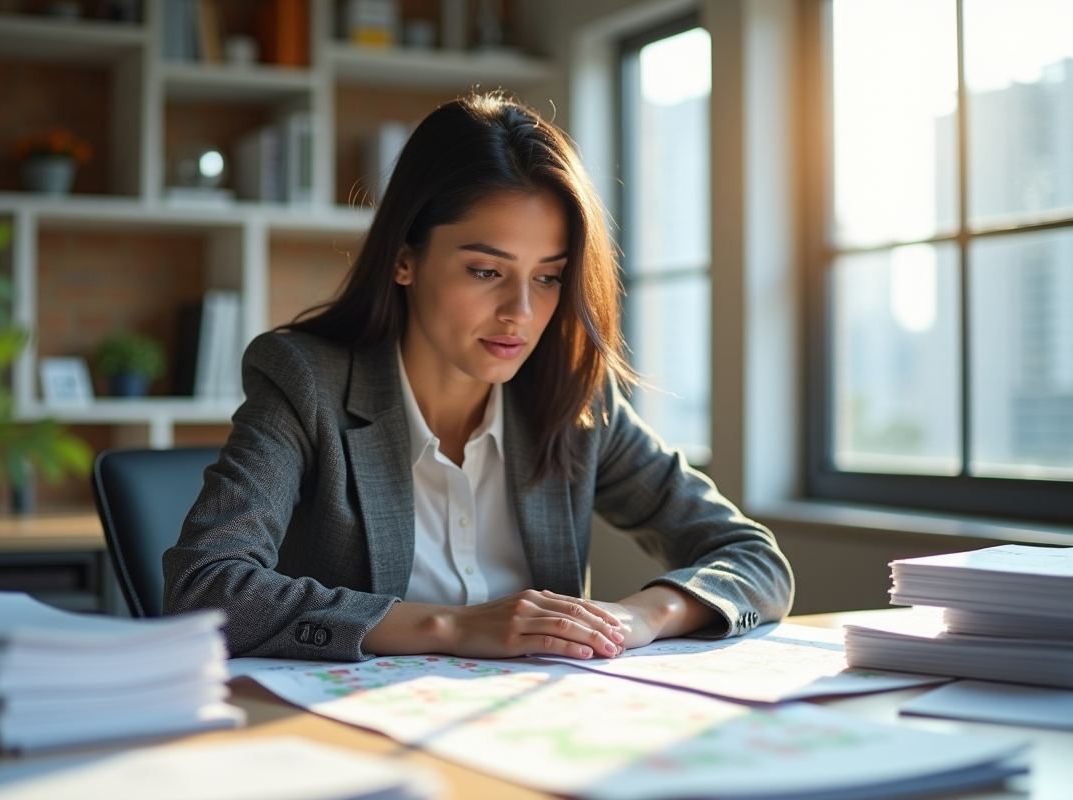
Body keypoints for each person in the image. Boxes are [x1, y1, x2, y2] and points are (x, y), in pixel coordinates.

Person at [163, 93, 793, 662]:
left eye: (548, 277)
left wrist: (641, 617)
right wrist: (452, 626)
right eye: (487, 271)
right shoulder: (306, 382)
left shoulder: (574, 399)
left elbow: (755, 560)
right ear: (405, 259)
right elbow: (204, 587)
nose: (521, 312)